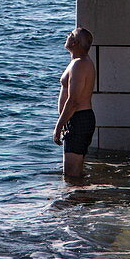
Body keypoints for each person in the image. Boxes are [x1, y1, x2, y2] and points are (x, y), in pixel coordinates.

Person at [53, 27, 96, 180]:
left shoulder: (79, 65)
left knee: (71, 174)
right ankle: (81, 201)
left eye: (70, 35)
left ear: (75, 42)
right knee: (75, 172)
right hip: (77, 119)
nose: (67, 36)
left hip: (79, 119)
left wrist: (58, 127)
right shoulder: (79, 62)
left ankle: (76, 201)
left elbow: (74, 101)